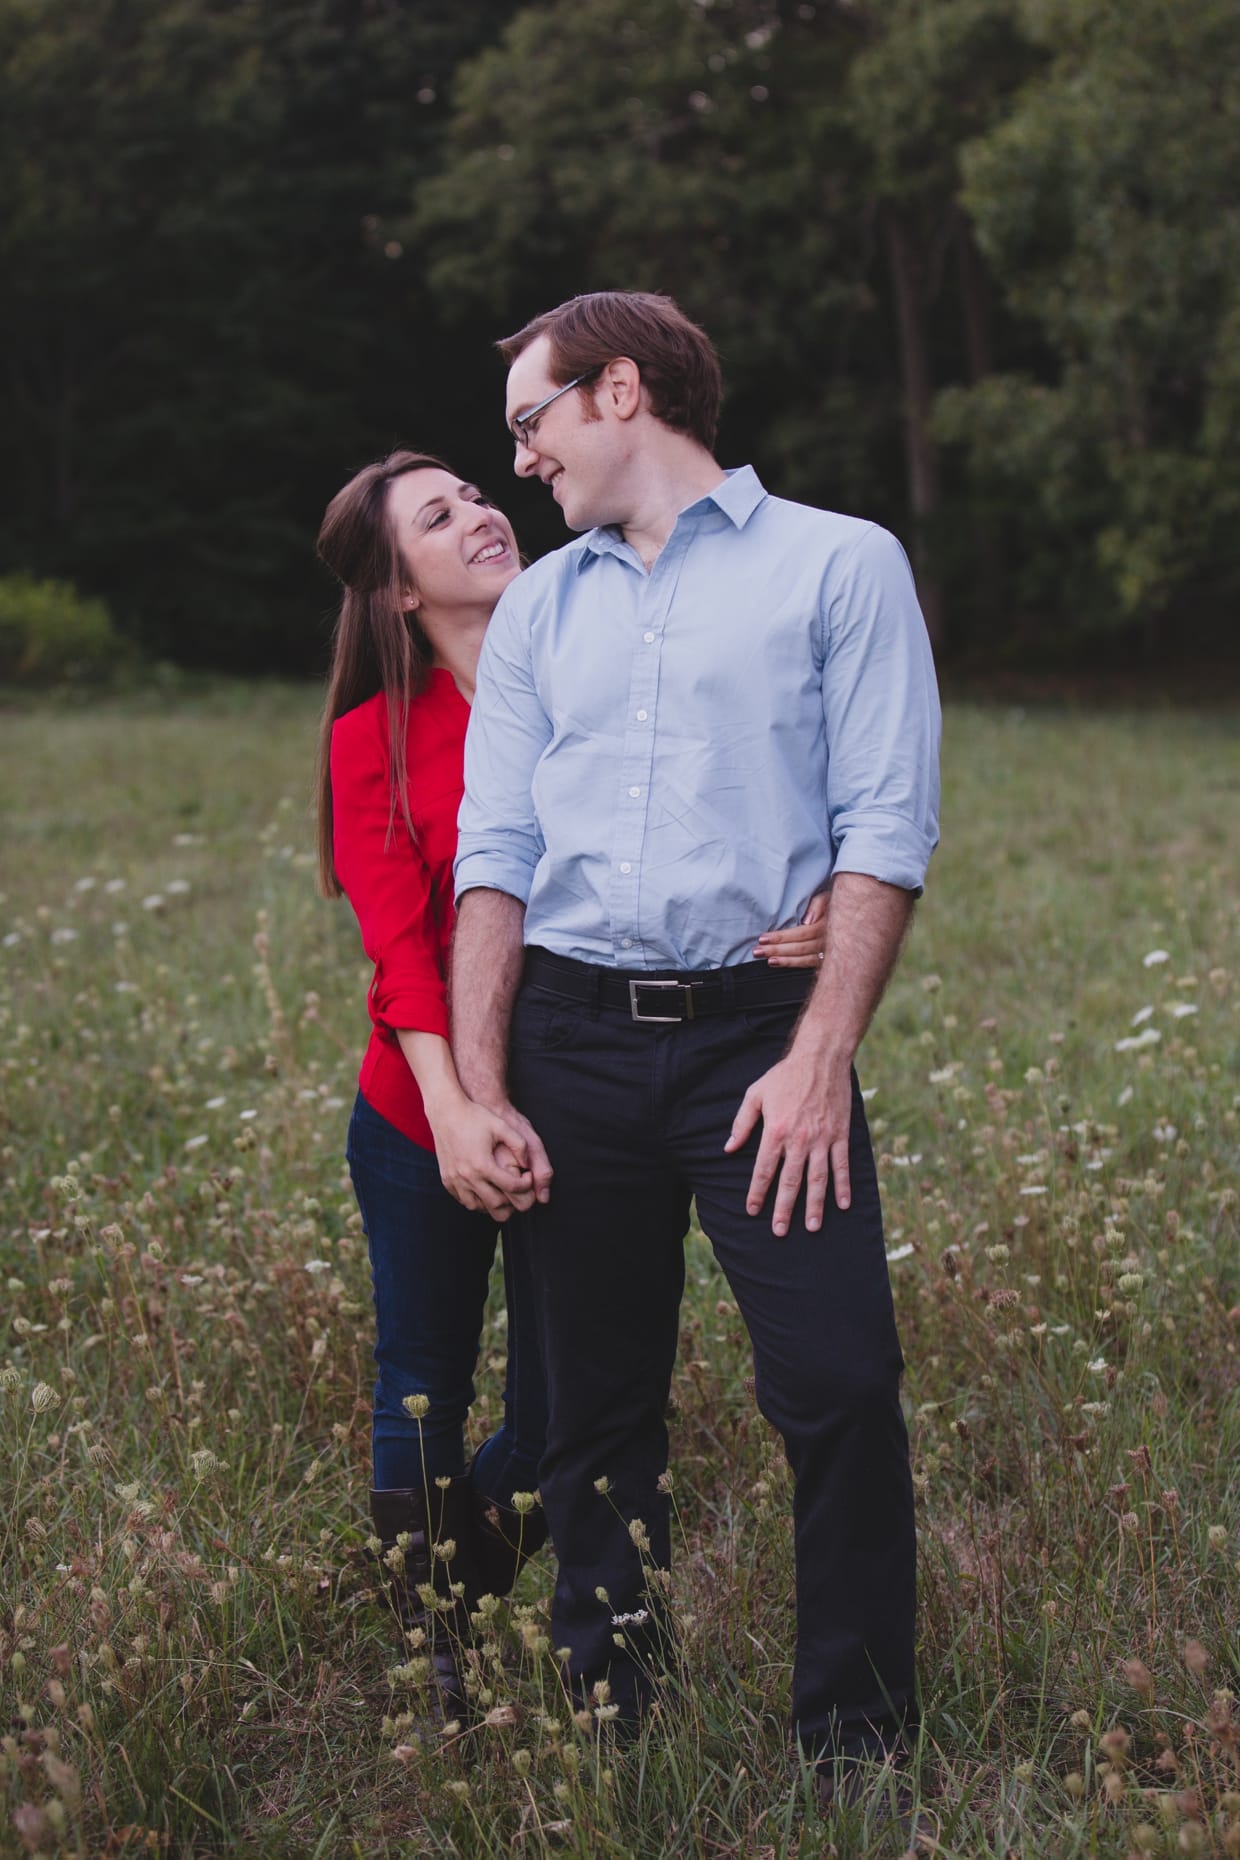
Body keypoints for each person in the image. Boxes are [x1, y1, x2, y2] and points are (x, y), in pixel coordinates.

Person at [448, 292, 941, 1803]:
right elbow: (497, 854)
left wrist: (818, 1054)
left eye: (530, 421)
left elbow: (885, 825)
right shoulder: (543, 605)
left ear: (618, 391)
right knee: (591, 1409)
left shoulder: (840, 564)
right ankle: (610, 1711)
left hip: (757, 1047)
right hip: (573, 1038)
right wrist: (477, 1090)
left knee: (840, 1383)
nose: (519, 460)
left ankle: (853, 1740)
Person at [313, 446, 828, 1727]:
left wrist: (812, 895)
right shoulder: (373, 738)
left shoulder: (602, 667)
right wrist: (451, 1111)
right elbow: (400, 951)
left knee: (567, 1408)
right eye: (438, 517)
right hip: (419, 1102)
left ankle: (477, 1544)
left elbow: (738, 797)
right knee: (422, 1376)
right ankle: (435, 1638)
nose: (483, 512)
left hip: (577, 1085)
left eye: (476, 493)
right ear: (393, 592)